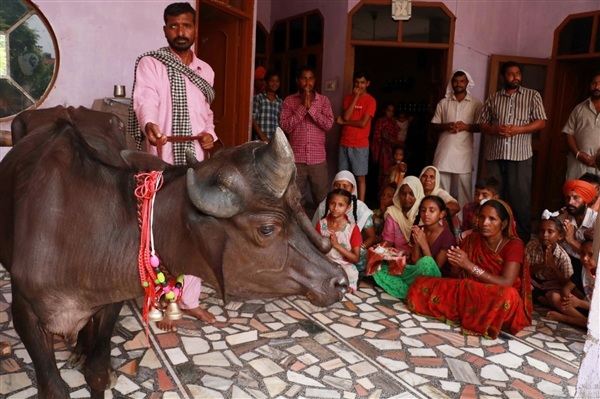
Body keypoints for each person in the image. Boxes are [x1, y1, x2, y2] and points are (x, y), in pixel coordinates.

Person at [128, 2, 217, 329]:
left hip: (195, 158)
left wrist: (210, 134)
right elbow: (145, 98)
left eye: (187, 26)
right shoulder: (151, 63)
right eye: (174, 26)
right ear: (165, 29)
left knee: (196, 225)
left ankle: (189, 300)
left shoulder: (205, 70)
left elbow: (206, 113)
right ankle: (158, 294)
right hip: (161, 156)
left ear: (195, 29)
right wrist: (149, 122)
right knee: (156, 227)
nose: (181, 32)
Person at [406, 199, 533, 339]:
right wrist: (457, 264)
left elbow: (507, 282)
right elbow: (458, 277)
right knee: (422, 283)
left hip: (499, 294)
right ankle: (469, 311)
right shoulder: (472, 239)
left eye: (492, 219)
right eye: (482, 217)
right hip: (471, 290)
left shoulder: (514, 244)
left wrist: (469, 266)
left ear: (503, 224)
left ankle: (474, 312)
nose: (485, 223)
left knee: (508, 294)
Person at [479, 61, 547, 242]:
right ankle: (494, 237)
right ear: (503, 77)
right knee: (495, 196)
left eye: (518, 74)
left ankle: (522, 241)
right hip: (495, 154)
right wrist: (494, 129)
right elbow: (482, 124)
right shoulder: (493, 99)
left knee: (520, 199)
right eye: (510, 74)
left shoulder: (532, 96)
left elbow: (541, 121)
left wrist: (519, 129)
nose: (515, 77)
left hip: (520, 156)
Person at [280, 65, 334, 209]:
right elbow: (286, 126)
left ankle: (322, 231)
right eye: (304, 78)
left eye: (311, 79)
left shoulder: (323, 101)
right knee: (296, 202)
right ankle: (298, 231)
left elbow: (328, 124)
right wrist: (303, 107)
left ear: (315, 81)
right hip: (297, 160)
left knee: (322, 200)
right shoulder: (289, 101)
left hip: (318, 160)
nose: (307, 82)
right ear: (298, 80)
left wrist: (312, 109)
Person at [431, 70, 483, 209]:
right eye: (455, 81)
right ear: (452, 83)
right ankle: (442, 222)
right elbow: (434, 126)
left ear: (467, 83)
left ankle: (463, 224)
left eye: (462, 81)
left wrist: (466, 126)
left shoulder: (476, 103)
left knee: (464, 192)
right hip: (444, 153)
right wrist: (447, 125)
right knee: (441, 192)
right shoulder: (444, 102)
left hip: (464, 154)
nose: (458, 84)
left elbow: (482, 126)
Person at [312, 171, 377, 275]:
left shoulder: (361, 209)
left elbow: (371, 237)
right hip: (327, 256)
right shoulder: (324, 207)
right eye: (337, 185)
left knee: (363, 255)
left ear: (353, 188)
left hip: (351, 252)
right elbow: (314, 237)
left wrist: (358, 248)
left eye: (345, 186)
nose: (341, 189)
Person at [337, 71, 377, 202]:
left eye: (362, 82)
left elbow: (362, 123)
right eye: (357, 82)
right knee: (343, 177)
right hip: (344, 143)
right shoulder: (348, 98)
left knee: (360, 178)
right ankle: (342, 202)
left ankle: (361, 205)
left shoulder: (371, 101)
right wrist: (355, 98)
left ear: (368, 84)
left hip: (360, 145)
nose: (359, 85)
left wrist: (345, 123)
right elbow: (346, 116)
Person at [316, 189, 362, 292]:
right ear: (328, 203)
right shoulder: (321, 224)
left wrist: (336, 245)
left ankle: (338, 285)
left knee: (351, 272)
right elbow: (314, 248)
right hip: (324, 263)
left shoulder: (352, 229)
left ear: (348, 207)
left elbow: (355, 258)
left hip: (343, 265)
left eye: (341, 205)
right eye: (333, 203)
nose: (336, 208)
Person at [558, 179, 597, 295]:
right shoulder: (566, 216)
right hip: (566, 262)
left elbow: (593, 256)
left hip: (585, 266)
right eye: (568, 198)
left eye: (576, 198)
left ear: (585, 201)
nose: (570, 202)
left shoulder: (596, 221)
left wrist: (571, 240)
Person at [546, 240, 595, 327]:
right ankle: (585, 323)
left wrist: (579, 302)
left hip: (595, 311)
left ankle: (565, 318)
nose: (585, 258)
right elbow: (566, 289)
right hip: (584, 309)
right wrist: (570, 299)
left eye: (590, 255)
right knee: (554, 297)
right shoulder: (582, 268)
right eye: (583, 253)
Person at [526, 213, 573, 306]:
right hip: (534, 282)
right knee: (520, 283)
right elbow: (525, 271)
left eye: (550, 232)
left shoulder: (563, 257)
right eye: (541, 231)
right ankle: (542, 300)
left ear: (560, 236)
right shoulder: (531, 246)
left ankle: (540, 299)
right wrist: (543, 264)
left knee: (557, 296)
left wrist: (552, 266)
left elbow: (567, 283)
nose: (545, 235)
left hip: (552, 286)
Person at [563, 72, 600, 181]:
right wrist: (578, 154)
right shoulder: (579, 108)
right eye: (594, 83)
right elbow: (569, 133)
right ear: (590, 85)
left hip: (599, 168)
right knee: (574, 195)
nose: (597, 86)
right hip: (578, 166)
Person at [411, 196, 457, 277]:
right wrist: (417, 245)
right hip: (419, 273)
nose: (426, 214)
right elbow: (415, 262)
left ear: (441, 214)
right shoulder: (419, 231)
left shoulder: (447, 237)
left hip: (438, 279)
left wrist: (423, 244)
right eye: (423, 210)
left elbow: (434, 269)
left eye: (431, 210)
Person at [379, 176, 425, 254]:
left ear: (418, 194)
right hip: (397, 257)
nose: (407, 198)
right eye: (403, 193)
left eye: (411, 194)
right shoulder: (393, 213)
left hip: (420, 260)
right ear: (398, 194)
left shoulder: (424, 213)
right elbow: (388, 242)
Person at [371, 102, 402, 191]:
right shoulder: (381, 121)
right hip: (383, 151)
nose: (390, 113)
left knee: (393, 173)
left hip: (392, 151)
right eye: (389, 110)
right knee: (384, 173)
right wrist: (399, 144)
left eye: (392, 111)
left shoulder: (393, 122)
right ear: (385, 111)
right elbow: (384, 137)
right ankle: (382, 193)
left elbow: (396, 134)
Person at [252, 70, 282, 142]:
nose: (275, 84)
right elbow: (253, 119)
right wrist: (263, 137)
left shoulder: (280, 102)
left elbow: (280, 123)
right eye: (272, 81)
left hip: (274, 142)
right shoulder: (258, 98)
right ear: (266, 82)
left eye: (277, 81)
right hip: (260, 141)